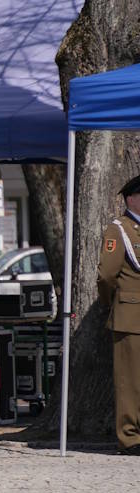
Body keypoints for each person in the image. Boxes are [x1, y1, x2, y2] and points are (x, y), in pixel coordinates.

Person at [99, 174, 140, 455]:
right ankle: (129, 437)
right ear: (133, 197)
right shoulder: (119, 230)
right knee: (130, 382)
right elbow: (106, 276)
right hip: (130, 316)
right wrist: (112, 305)